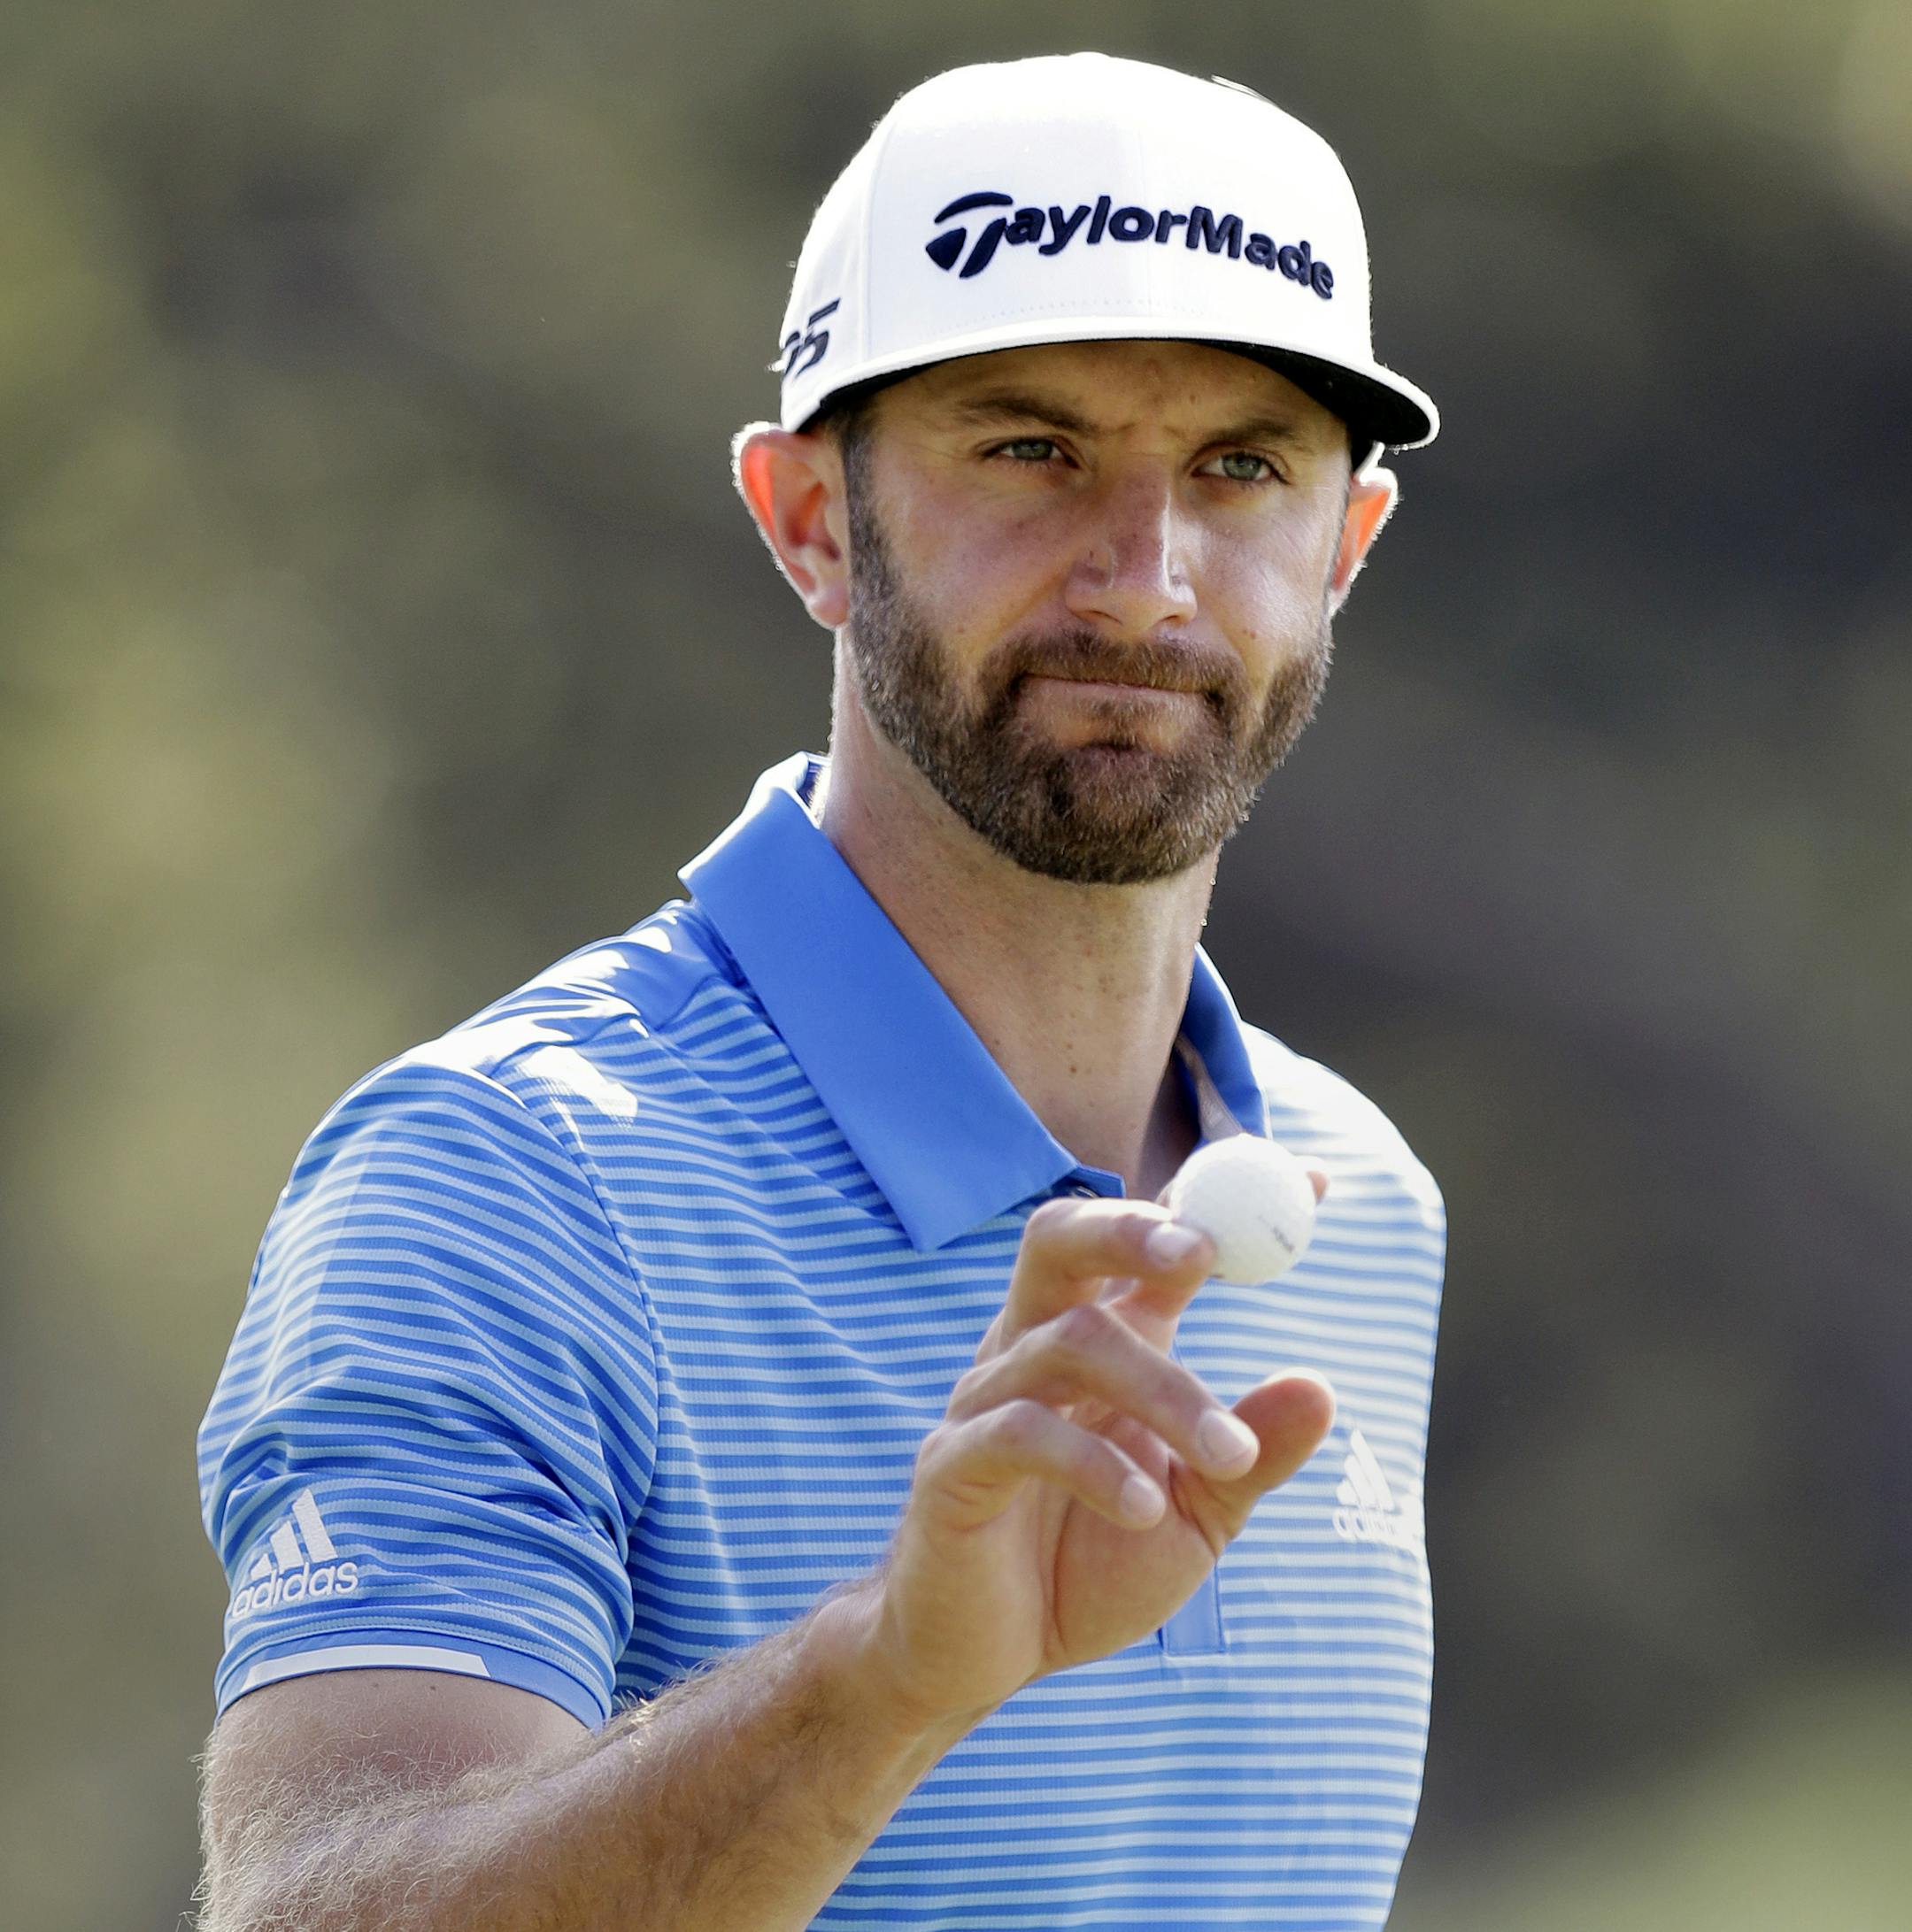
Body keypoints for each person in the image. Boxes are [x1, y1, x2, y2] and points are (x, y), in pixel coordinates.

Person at [196, 52, 1446, 1932]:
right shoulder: (498, 1182)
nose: (1145, 578)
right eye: (1028, 450)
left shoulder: (1366, 1202)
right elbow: (313, 1913)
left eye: (1242, 467)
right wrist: (884, 1677)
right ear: (805, 519)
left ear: (1343, 548)